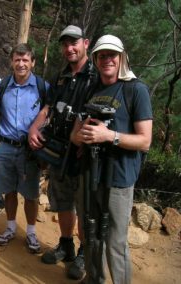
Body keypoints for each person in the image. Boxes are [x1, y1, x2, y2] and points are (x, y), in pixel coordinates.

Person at [70, 35, 152, 284]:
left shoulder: (135, 89)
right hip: (89, 174)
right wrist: (83, 135)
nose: (107, 60)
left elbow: (145, 140)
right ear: (95, 58)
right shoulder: (91, 89)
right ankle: (94, 278)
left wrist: (109, 136)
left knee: (115, 241)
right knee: (91, 233)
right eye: (102, 55)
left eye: (112, 55)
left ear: (121, 58)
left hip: (119, 177)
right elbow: (74, 136)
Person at [28, 25, 96, 280]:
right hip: (59, 153)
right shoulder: (61, 77)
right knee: (63, 203)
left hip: (84, 155)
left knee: (85, 207)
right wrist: (33, 128)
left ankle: (83, 253)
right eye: (65, 44)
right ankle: (66, 244)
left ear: (86, 43)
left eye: (74, 43)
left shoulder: (97, 75)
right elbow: (48, 107)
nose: (69, 48)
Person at [0, 43, 49, 254]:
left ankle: (31, 232)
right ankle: (11, 227)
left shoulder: (43, 87)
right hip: (5, 146)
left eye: (25, 60)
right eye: (17, 59)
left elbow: (50, 117)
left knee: (31, 193)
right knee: (9, 190)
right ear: (12, 61)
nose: (21, 64)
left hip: (30, 150)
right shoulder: (3, 85)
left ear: (32, 62)